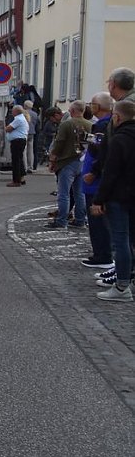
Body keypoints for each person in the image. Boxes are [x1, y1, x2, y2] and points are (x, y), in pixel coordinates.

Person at [91, 99, 135, 302]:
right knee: (131, 241)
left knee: (121, 241)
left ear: (117, 117)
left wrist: (99, 200)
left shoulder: (119, 139)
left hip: (119, 196)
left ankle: (122, 286)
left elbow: (111, 173)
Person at [81, 92, 115, 270]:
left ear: (98, 106)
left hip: (95, 181)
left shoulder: (103, 124)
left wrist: (93, 172)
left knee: (97, 221)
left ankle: (102, 255)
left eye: (92, 104)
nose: (91, 106)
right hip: (95, 178)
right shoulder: (105, 123)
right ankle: (103, 253)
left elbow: (100, 151)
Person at [45, 100, 92, 229]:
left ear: (72, 111)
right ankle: (80, 220)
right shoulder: (90, 124)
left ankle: (61, 221)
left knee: (64, 193)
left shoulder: (66, 124)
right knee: (79, 193)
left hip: (66, 161)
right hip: (82, 161)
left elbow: (59, 143)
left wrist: (52, 160)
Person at [4, 105, 29, 187]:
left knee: (16, 161)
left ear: (16, 112)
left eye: (13, 111)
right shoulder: (22, 118)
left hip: (17, 141)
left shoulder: (18, 119)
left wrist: (6, 127)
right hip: (20, 140)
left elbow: (9, 128)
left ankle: (16, 180)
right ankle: (22, 177)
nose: (12, 112)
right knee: (19, 159)